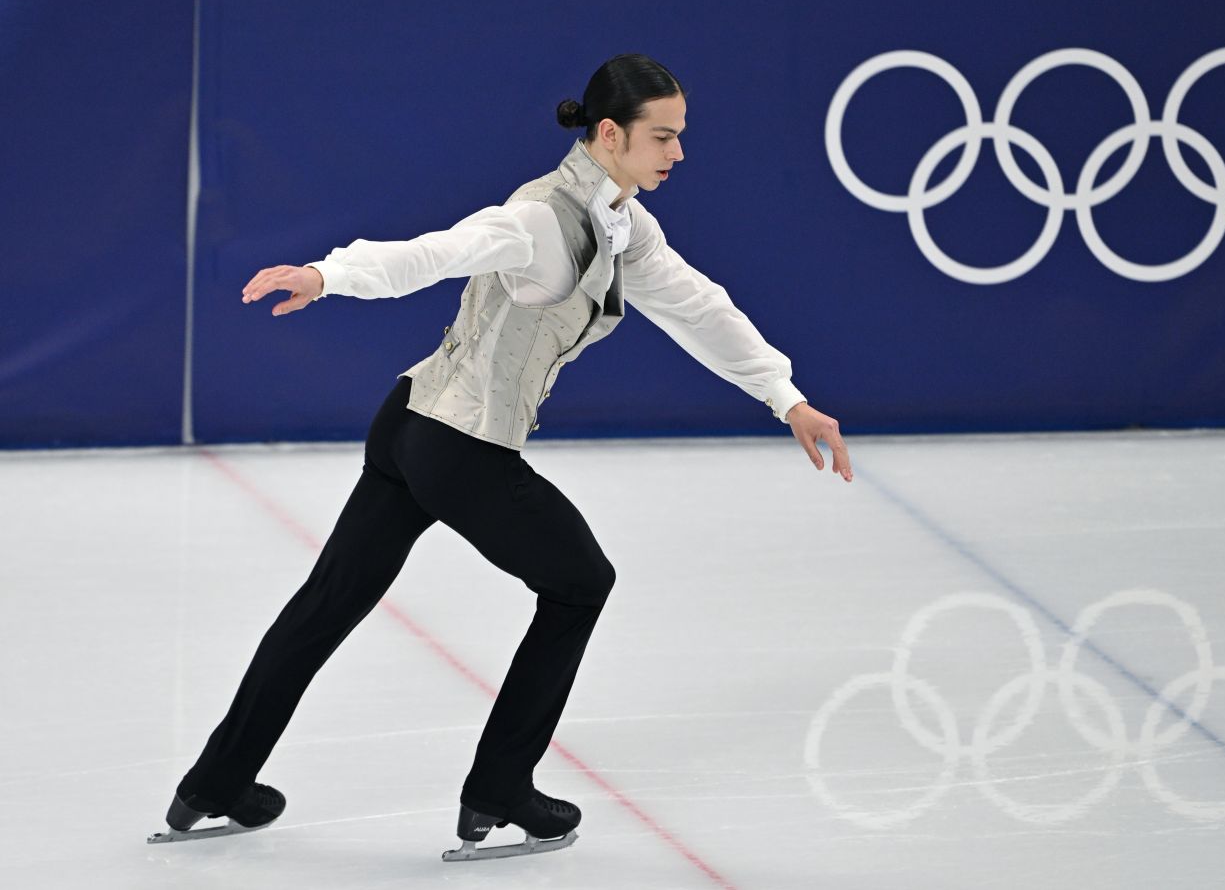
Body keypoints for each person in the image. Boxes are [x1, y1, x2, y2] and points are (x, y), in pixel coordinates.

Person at [150, 53, 852, 861]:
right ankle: (500, 789)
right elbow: (432, 253)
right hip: (460, 448)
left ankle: (214, 785)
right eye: (663, 137)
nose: (678, 153)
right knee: (581, 583)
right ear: (611, 134)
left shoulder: (624, 225)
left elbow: (700, 307)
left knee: (328, 603)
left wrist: (784, 396)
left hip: (409, 423)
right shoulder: (540, 219)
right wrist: (328, 275)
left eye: (679, 136)